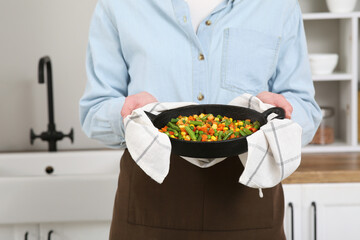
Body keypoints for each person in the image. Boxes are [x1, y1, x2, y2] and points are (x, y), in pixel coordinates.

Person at [79, 0, 322, 239]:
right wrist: (126, 113)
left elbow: (306, 110)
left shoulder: (279, 6)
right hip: (150, 199)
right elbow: (94, 111)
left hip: (247, 196)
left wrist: (280, 114)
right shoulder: (118, 5)